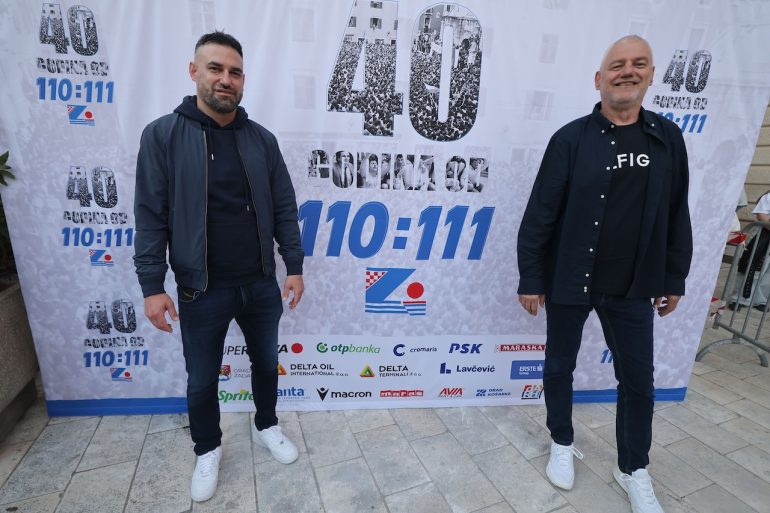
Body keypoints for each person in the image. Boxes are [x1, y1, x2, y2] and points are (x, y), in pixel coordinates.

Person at [517, 35, 692, 513]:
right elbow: (540, 214)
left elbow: (677, 213)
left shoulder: (667, 138)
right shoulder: (570, 139)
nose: (627, 71)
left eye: (639, 64)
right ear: (599, 79)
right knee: (559, 367)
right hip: (569, 278)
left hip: (634, 286)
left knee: (638, 382)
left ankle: (632, 468)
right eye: (617, 65)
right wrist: (531, 277)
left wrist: (674, 278)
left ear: (651, 75)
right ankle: (561, 441)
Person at [133, 31, 305, 503]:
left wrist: (293, 265)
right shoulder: (162, 135)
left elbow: (285, 207)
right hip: (200, 289)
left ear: (243, 80)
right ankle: (207, 448)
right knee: (202, 379)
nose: (225, 79)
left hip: (260, 284)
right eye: (215, 69)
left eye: (235, 72)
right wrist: (152, 286)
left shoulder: (262, 140)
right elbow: (150, 216)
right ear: (194, 72)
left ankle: (266, 425)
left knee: (266, 363)